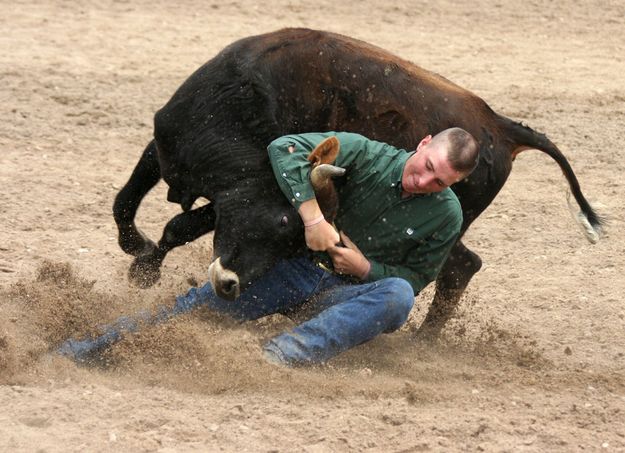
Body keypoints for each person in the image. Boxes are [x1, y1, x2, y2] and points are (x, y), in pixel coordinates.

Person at [174, 128, 479, 367]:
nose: (423, 181)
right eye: (427, 166)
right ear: (424, 143)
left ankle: (280, 354)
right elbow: (284, 148)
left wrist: (366, 269)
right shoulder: (365, 152)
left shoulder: (448, 216)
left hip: (343, 299)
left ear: (452, 184)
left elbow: (416, 277)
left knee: (398, 296)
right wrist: (313, 219)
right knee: (185, 315)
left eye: (439, 182)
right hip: (288, 271)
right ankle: (125, 335)